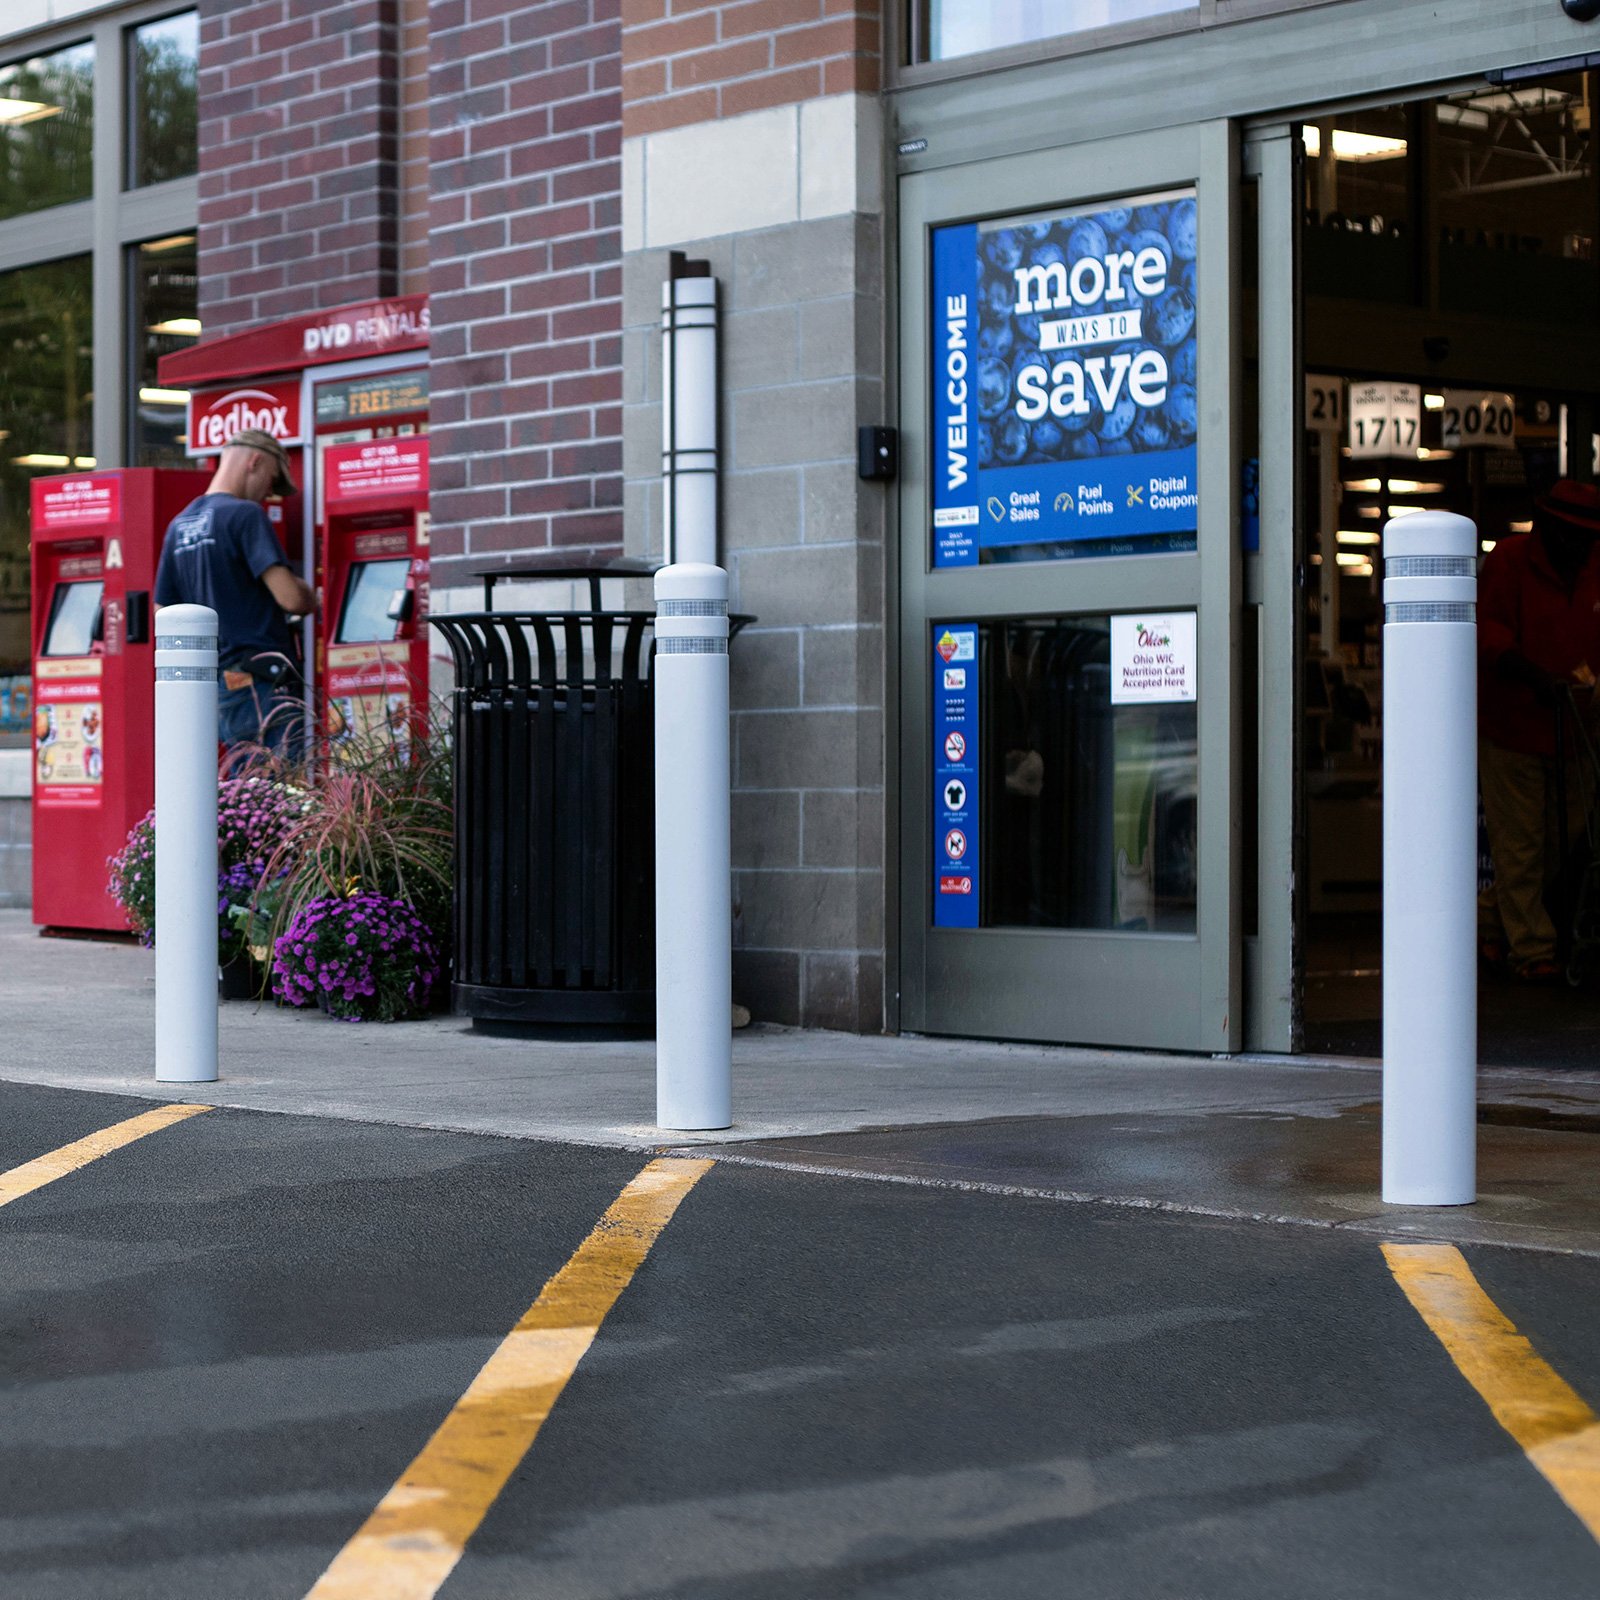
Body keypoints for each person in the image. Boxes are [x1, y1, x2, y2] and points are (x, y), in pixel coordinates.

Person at [1477, 476, 1600, 981]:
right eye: (1568, 532)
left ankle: (1482, 925)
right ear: (1545, 524)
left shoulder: (1595, 565)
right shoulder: (1509, 559)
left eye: (1586, 536)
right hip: (1512, 727)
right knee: (1521, 845)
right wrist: (1537, 677)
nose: (1577, 544)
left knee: (1557, 845)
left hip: (1579, 728)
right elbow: (1489, 636)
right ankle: (1533, 953)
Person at [153, 428, 317, 753]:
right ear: (254, 461)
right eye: (271, 480)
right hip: (260, 679)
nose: (268, 492)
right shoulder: (245, 515)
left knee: (247, 785)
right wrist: (313, 595)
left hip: (218, 687)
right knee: (280, 787)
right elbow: (292, 599)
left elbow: (163, 612)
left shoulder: (180, 525)